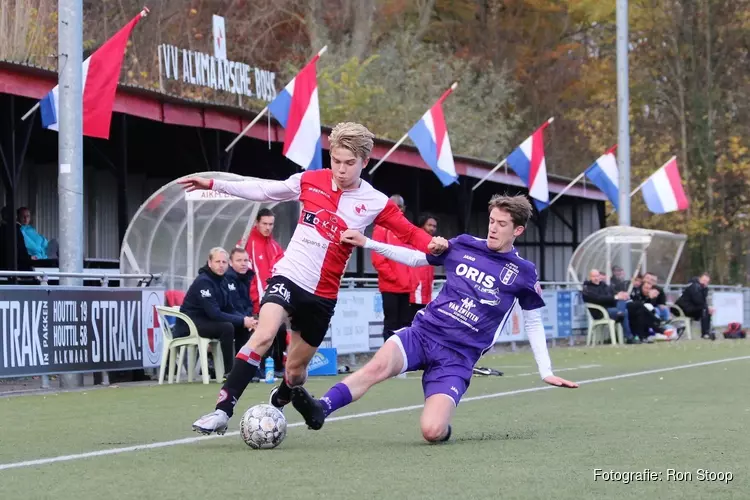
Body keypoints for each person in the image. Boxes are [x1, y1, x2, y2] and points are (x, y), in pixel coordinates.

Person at [181, 122, 447, 435]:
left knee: (295, 373)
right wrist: (214, 183)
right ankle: (222, 411)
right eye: (336, 161)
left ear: (365, 162)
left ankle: (282, 395)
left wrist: (438, 244)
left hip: (323, 295)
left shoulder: (376, 202)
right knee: (265, 334)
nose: (342, 170)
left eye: (350, 163)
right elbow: (264, 189)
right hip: (289, 276)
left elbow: (409, 233)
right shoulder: (310, 181)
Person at [289, 194, 578, 440]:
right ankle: (321, 407)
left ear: (518, 231)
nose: (493, 229)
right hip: (424, 333)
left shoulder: (523, 272)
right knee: (376, 367)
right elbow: (416, 258)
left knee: (431, 431)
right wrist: (367, 243)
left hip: (459, 357)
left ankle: (442, 426)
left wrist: (546, 371)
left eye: (502, 225)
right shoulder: (464, 244)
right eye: (491, 221)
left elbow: (533, 321)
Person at [176, 247, 258, 374]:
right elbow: (214, 313)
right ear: (209, 263)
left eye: (224, 262)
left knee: (241, 327)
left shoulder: (223, 280)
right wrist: (242, 320)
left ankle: (242, 370)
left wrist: (246, 320)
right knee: (227, 327)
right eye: (217, 262)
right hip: (191, 323)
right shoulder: (203, 281)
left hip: (208, 321)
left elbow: (229, 308)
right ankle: (229, 372)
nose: (221, 266)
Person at [239, 208, 286, 379]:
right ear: (256, 223)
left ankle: (279, 366)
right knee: (264, 333)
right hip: (253, 302)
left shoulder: (275, 247)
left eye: (271, 224)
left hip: (273, 300)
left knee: (280, 329)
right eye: (264, 224)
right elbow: (244, 274)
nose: (268, 227)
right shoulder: (246, 244)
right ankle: (254, 368)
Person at [372, 194, 414, 340]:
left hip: (406, 287)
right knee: (391, 324)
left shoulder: (406, 228)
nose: (398, 210)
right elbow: (378, 260)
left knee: (405, 325)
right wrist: (394, 278)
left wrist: (410, 280)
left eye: (400, 206)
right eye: (395, 206)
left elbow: (411, 255)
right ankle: (389, 358)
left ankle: (403, 358)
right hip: (390, 287)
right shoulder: (381, 228)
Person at [581, 269, 638, 344]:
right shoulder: (587, 288)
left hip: (610, 309)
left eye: (597, 276)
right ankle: (629, 337)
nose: (596, 278)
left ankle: (620, 313)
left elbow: (613, 293)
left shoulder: (603, 285)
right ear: (590, 277)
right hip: (600, 312)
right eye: (593, 276)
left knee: (622, 300)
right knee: (625, 312)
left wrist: (621, 294)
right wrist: (615, 297)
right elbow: (598, 299)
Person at [224, 248, 256, 355]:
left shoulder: (247, 278)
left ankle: (272, 367)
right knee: (242, 329)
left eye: (245, 260)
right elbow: (232, 306)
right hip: (230, 318)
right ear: (231, 263)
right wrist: (246, 320)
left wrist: (251, 319)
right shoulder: (226, 279)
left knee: (274, 328)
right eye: (239, 260)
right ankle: (241, 366)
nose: (243, 264)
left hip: (245, 317)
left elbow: (249, 303)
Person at [410, 213, 438, 317]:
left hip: (426, 292)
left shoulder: (433, 243)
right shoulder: (414, 240)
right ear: (422, 225)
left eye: (434, 226)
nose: (432, 228)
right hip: (414, 291)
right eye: (429, 225)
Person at [675, 272, 715, 340]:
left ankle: (707, 332)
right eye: (703, 280)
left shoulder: (702, 288)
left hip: (691, 308)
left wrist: (708, 307)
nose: (704, 283)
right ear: (699, 279)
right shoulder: (694, 286)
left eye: (706, 282)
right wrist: (707, 307)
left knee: (706, 310)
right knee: (705, 309)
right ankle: (705, 333)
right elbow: (698, 300)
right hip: (683, 308)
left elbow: (702, 301)